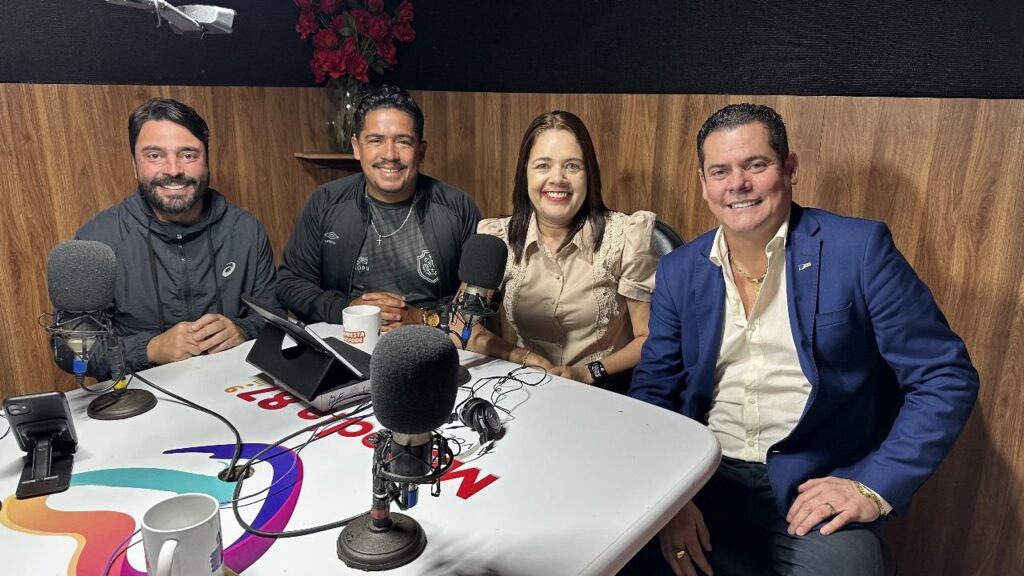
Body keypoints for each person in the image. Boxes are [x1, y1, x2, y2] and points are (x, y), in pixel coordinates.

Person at [627, 103, 979, 575]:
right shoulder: (679, 270)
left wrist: (871, 486)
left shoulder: (859, 250)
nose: (738, 184)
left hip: (813, 482)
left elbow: (944, 376)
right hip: (703, 476)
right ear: (703, 182)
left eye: (756, 164)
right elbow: (654, 392)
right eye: (720, 171)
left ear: (789, 168)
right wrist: (667, 497)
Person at [67, 98, 278, 378]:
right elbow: (72, 353)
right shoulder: (95, 242)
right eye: (154, 155)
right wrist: (150, 349)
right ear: (134, 165)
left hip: (232, 389)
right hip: (137, 398)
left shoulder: (246, 230)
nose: (173, 169)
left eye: (188, 155)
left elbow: (276, 320)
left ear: (207, 161)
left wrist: (242, 331)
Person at [465, 111, 658, 389]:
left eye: (572, 166)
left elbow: (647, 338)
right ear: (525, 174)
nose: (557, 178)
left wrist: (587, 372)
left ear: (589, 175)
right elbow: (463, 327)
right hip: (525, 385)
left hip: (603, 389)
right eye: (543, 166)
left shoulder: (625, 236)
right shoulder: (498, 238)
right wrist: (521, 356)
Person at [276, 85, 481, 330]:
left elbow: (477, 307)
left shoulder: (457, 209)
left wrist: (421, 318)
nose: (390, 155)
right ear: (356, 147)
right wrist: (348, 310)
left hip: (431, 342)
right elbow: (290, 283)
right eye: (376, 140)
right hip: (345, 341)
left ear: (421, 150)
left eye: (403, 141)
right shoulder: (326, 202)